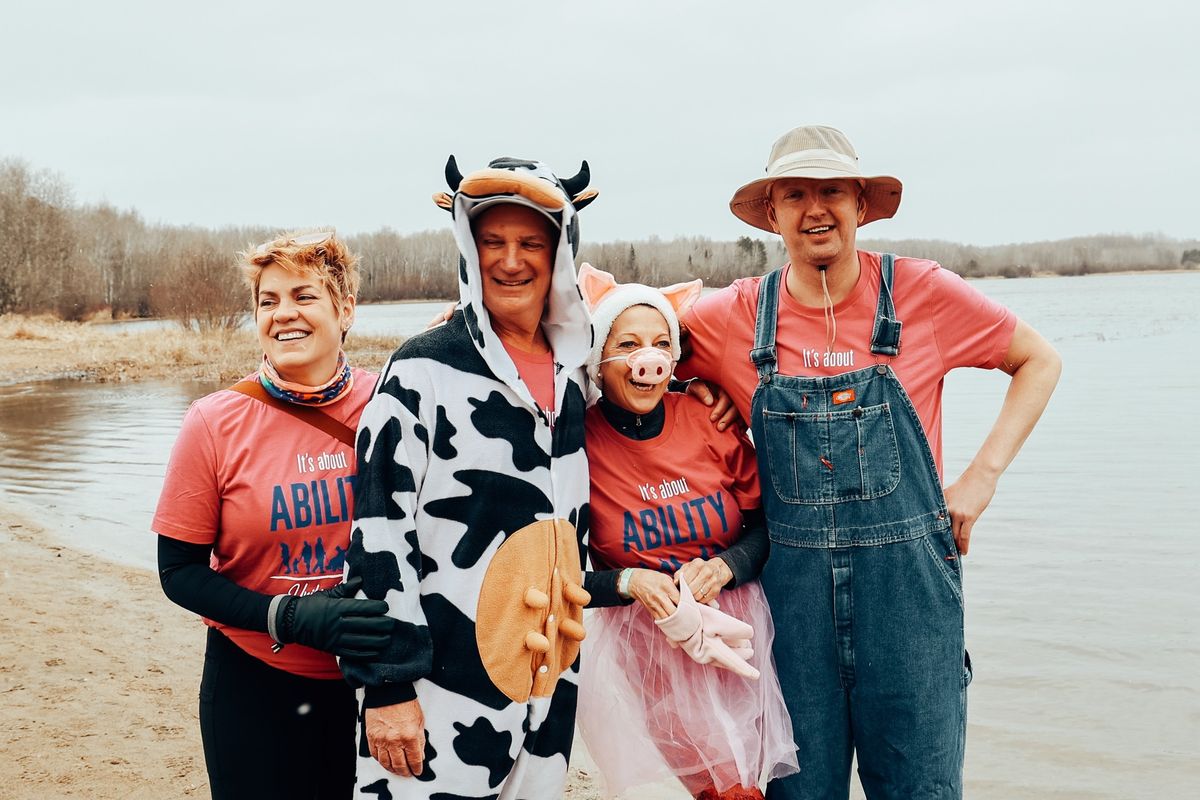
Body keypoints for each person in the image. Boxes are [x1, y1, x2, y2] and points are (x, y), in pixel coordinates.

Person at [677, 125, 1062, 799]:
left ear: (861, 204)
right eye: (794, 194)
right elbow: (625, 346)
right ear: (771, 214)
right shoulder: (733, 313)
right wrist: (696, 391)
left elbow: (1039, 360)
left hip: (909, 602)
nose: (814, 208)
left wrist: (980, 477)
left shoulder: (923, 293)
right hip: (790, 610)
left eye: (832, 191)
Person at [343, 156, 600, 799]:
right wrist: (388, 686)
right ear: (468, 248)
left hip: (546, 687)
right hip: (435, 691)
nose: (511, 260)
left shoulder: (576, 374)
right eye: (493, 242)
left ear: (560, 252)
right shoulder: (421, 370)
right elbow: (378, 533)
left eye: (531, 243)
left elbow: (653, 381)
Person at [153, 230, 396, 799]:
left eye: (304, 296)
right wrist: (290, 617)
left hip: (377, 682)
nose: (284, 313)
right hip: (254, 682)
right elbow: (178, 573)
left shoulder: (392, 403)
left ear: (346, 309)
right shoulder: (214, 422)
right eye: (269, 300)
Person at [573, 264, 799, 799]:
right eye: (626, 344)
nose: (644, 359)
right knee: (714, 786)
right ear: (599, 359)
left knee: (750, 781)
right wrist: (627, 581)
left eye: (658, 344)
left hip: (740, 629)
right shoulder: (575, 445)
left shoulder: (708, 420)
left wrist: (726, 565)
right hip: (650, 645)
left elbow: (770, 525)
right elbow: (556, 572)